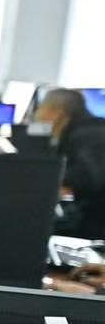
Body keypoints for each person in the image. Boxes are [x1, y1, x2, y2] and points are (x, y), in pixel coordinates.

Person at [43, 88, 105, 239]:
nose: (38, 114)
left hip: (96, 222)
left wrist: (51, 179)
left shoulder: (85, 135)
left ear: (57, 112)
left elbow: (91, 178)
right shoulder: (90, 129)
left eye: (42, 107)